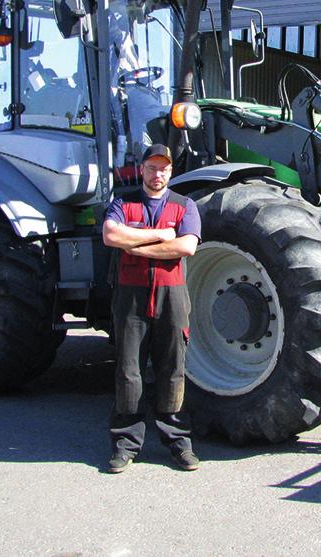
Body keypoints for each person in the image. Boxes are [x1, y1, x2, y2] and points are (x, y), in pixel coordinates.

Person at [102, 143, 201, 473]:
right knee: (129, 370)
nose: (157, 174)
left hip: (171, 297)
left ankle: (178, 442)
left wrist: (136, 245)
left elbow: (186, 246)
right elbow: (111, 235)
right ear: (141, 169)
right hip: (130, 296)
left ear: (171, 171)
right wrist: (160, 237)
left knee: (172, 369)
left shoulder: (185, 206)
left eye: (164, 168)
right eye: (152, 167)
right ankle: (125, 444)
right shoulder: (123, 203)